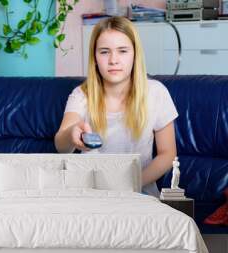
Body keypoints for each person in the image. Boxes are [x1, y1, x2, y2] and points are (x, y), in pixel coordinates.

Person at [54, 16, 178, 196]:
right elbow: (61, 146)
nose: (113, 60)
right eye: (104, 52)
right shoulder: (81, 95)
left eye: (122, 51)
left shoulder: (156, 92)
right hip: (91, 194)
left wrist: (131, 185)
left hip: (138, 192)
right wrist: (72, 134)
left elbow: (168, 154)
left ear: (135, 54)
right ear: (95, 58)